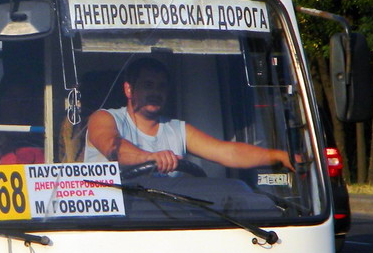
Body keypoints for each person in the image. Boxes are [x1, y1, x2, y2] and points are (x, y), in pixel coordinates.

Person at [84, 56, 294, 173]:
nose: (156, 92)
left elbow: (227, 152)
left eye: (162, 87)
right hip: (113, 222)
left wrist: (278, 156)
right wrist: (150, 158)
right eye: (148, 85)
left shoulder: (177, 129)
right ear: (129, 90)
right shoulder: (104, 118)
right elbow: (113, 148)